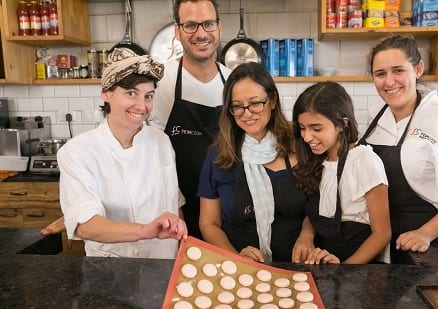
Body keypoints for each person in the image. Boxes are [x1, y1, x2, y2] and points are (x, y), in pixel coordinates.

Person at [358, 35, 438, 262]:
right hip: (376, 239)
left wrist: (426, 233)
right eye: (380, 74)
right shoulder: (376, 117)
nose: (389, 81)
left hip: (424, 246)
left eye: (398, 70)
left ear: (418, 69)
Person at [57, 47, 187, 258]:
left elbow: (173, 202)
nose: (141, 106)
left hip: (163, 262)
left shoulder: (161, 141)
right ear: (106, 94)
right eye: (131, 93)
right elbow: (85, 225)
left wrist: (181, 245)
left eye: (148, 96)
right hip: (112, 268)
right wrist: (144, 231)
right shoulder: (77, 152)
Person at [197, 62, 313, 263]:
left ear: (272, 101)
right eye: (237, 106)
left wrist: (307, 235)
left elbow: (320, 207)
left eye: (255, 103)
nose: (247, 113)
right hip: (240, 271)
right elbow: (209, 223)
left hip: (298, 267)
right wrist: (236, 258)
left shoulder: (300, 145)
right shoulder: (218, 156)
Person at [148, 0, 231, 240]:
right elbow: (147, 155)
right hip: (175, 214)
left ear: (219, 27)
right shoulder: (159, 83)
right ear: (178, 31)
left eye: (208, 24)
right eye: (191, 25)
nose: (201, 33)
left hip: (228, 213)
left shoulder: (234, 82)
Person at [292, 81, 392, 264]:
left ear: (341, 124)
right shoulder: (316, 160)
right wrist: (305, 236)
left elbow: (382, 233)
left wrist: (344, 270)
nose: (306, 137)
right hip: (323, 262)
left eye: (316, 128)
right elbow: (316, 214)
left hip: (358, 266)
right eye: (302, 128)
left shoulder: (364, 161)